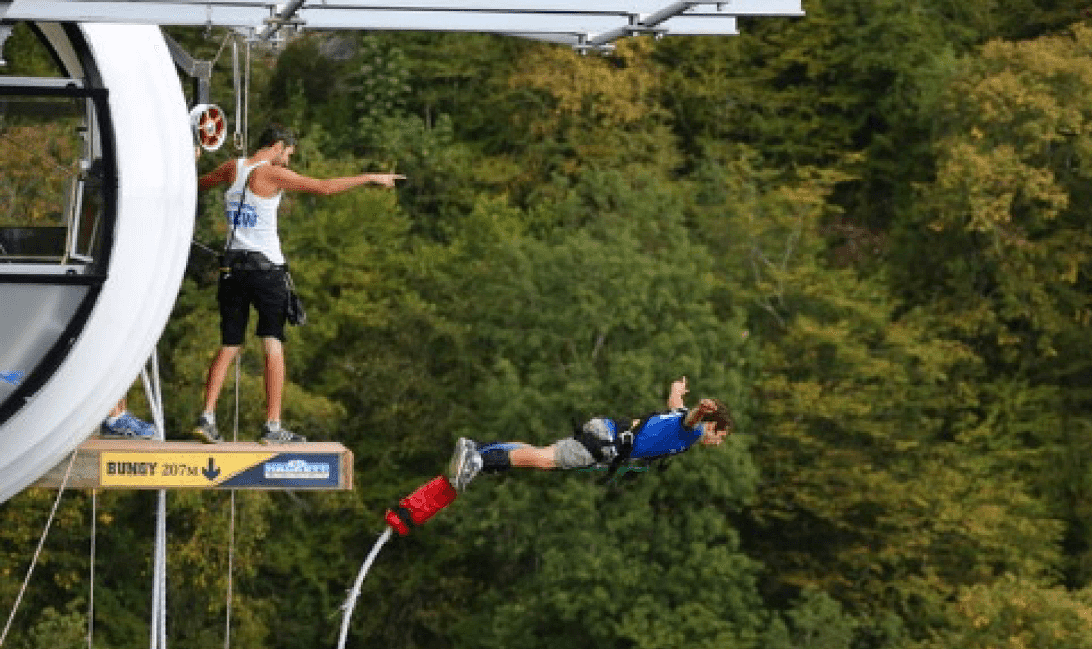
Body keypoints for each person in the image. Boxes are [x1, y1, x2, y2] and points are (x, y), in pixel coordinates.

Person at [193, 125, 405, 444]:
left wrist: (189, 159)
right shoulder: (271, 174)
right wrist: (371, 177)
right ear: (278, 146)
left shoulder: (231, 168)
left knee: (229, 344)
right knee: (272, 341)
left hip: (231, 267)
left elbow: (196, 185)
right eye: (288, 154)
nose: (288, 161)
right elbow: (324, 187)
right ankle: (272, 426)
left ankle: (207, 417)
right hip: (266, 270)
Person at [447, 377, 732, 492]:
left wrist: (677, 390)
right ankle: (479, 460)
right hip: (607, 443)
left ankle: (479, 447)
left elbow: (675, 403)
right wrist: (702, 409)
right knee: (546, 459)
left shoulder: (679, 418)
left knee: (543, 452)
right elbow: (692, 417)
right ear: (711, 425)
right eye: (720, 436)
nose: (717, 443)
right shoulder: (692, 431)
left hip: (609, 434)